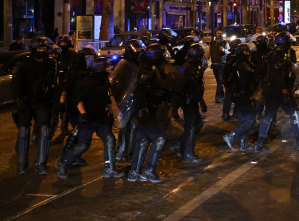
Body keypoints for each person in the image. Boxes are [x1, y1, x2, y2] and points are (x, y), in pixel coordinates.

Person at [56, 57, 124, 180]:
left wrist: (112, 112)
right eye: (106, 67)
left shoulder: (105, 82)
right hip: (89, 118)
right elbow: (78, 100)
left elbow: (109, 98)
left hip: (101, 117)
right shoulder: (86, 83)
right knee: (83, 145)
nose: (109, 69)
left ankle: (110, 169)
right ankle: (64, 163)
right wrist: (83, 114)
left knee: (109, 140)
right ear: (100, 69)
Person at [254, 32, 299, 152]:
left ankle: (259, 144)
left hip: (271, 90)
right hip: (279, 90)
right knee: (295, 114)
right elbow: (278, 75)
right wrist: (285, 90)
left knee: (269, 116)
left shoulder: (273, 54)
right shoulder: (278, 56)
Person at [127, 43, 173, 183]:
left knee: (143, 140)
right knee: (159, 139)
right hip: (147, 111)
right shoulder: (148, 70)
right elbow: (139, 91)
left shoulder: (154, 68)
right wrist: (143, 109)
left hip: (150, 110)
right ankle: (147, 171)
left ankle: (135, 172)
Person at [12, 37, 58, 174]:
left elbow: (53, 83)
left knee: (44, 130)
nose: (41, 51)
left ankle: (41, 163)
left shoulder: (51, 64)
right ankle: (22, 163)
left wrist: (55, 101)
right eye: (38, 49)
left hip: (43, 101)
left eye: (43, 49)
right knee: (23, 131)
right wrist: (18, 99)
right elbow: (16, 83)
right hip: (26, 100)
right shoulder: (24, 63)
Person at [171, 43, 205, 163]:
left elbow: (198, 87)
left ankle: (180, 145)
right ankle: (188, 153)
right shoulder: (187, 68)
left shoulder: (194, 66)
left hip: (192, 100)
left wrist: (201, 101)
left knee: (197, 124)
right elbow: (185, 87)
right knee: (191, 126)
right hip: (188, 101)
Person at [223, 43, 257, 151]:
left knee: (243, 120)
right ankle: (232, 135)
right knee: (250, 119)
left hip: (236, 95)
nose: (248, 53)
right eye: (247, 51)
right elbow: (253, 73)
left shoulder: (233, 62)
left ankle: (243, 144)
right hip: (243, 95)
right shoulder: (243, 63)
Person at [210, 29, 229, 103]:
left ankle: (217, 97)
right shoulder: (212, 43)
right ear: (215, 34)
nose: (219, 34)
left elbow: (228, 52)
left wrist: (223, 50)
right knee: (218, 81)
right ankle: (222, 96)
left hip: (222, 64)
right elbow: (209, 52)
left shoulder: (225, 42)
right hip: (215, 64)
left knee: (221, 81)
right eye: (218, 33)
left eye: (220, 33)